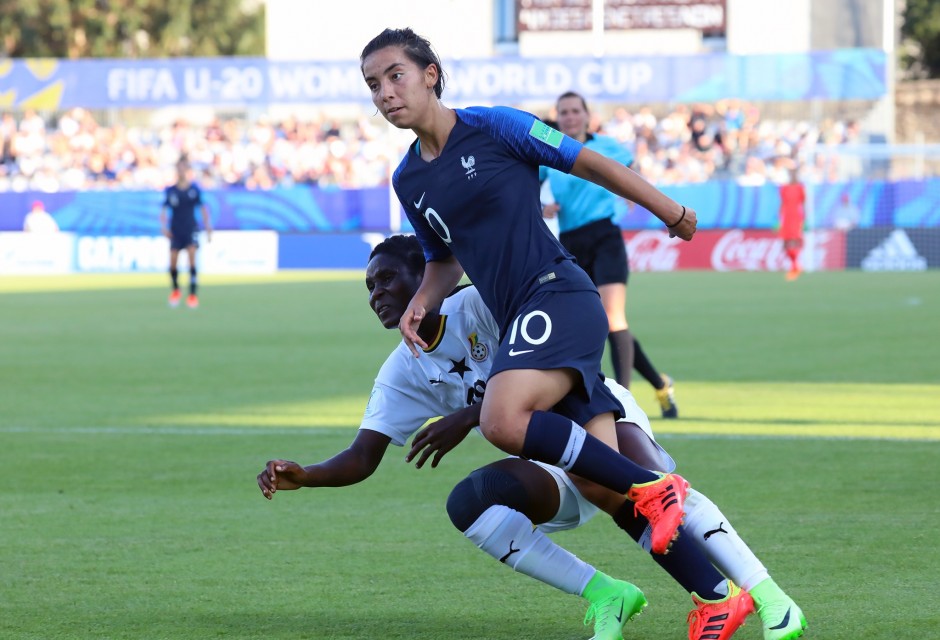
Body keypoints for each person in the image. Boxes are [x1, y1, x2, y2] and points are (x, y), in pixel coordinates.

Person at [258, 235, 807, 640]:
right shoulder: (402, 369)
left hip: (590, 403)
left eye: (387, 280)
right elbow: (362, 455)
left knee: (645, 486)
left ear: (425, 279)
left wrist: (470, 416)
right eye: (369, 285)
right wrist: (306, 476)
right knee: (470, 503)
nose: (377, 293)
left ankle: (767, 597)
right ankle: (607, 594)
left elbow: (545, 368)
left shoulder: (482, 304)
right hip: (542, 452)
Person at [360, 27, 697, 556]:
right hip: (517, 316)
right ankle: (722, 594)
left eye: (395, 76)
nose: (385, 93)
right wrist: (423, 300)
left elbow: (587, 163)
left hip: (554, 295)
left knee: (500, 419)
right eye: (373, 84)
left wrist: (668, 210)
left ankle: (653, 485)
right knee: (594, 484)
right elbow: (442, 260)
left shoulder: (494, 125)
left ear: (430, 75)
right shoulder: (407, 178)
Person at [540, 91, 678, 418]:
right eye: (564, 112)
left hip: (605, 237)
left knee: (614, 318)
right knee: (595, 323)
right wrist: (542, 206)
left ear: (588, 116)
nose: (570, 117)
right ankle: (660, 383)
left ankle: (624, 402)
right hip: (571, 243)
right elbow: (527, 184)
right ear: (558, 117)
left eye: (576, 111)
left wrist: (633, 193)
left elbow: (631, 172)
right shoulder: (550, 152)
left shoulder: (606, 147)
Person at [161, 158, 212, 308]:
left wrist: (208, 227)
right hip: (175, 230)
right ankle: (176, 290)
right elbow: (164, 210)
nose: (181, 171)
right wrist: (163, 227)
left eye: (184, 169)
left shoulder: (194, 190)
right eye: (179, 169)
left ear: (187, 171)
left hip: (190, 229)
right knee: (173, 262)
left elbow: (202, 209)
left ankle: (192, 295)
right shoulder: (171, 191)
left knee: (192, 259)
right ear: (177, 171)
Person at [777, 167, 805, 281]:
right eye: (790, 174)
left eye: (794, 174)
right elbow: (782, 203)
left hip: (796, 217)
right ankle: (795, 265)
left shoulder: (800, 188)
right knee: (785, 243)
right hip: (787, 217)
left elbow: (803, 204)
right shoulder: (784, 188)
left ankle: (795, 268)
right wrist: (778, 218)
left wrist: (804, 219)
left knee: (794, 241)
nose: (792, 176)